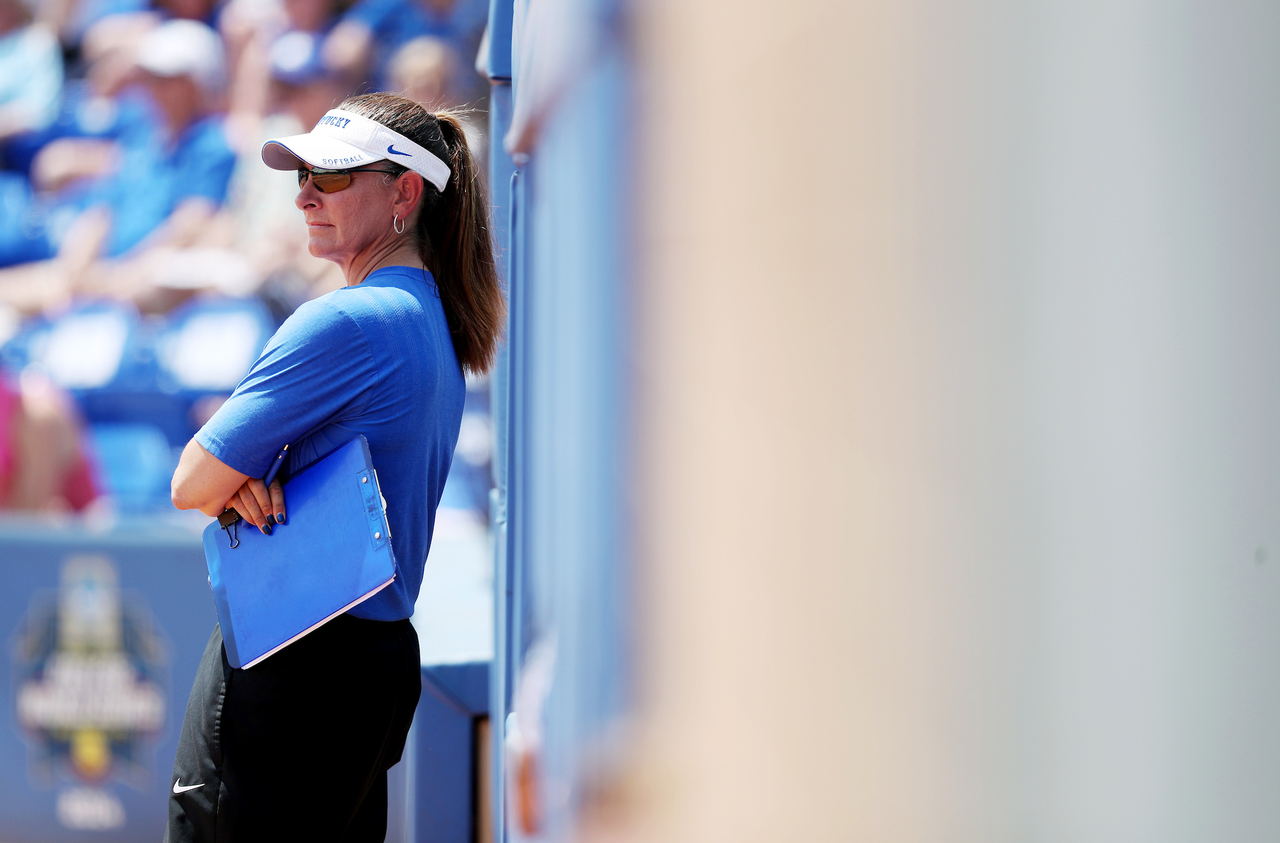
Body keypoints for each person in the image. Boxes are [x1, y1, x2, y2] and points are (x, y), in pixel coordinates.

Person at [165, 92, 505, 841]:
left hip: (297, 662)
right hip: (369, 667)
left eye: (335, 176)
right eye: (302, 175)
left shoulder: (352, 317)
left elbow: (191, 481)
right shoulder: (430, 319)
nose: (305, 193)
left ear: (404, 194)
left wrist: (236, 477)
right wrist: (243, 476)